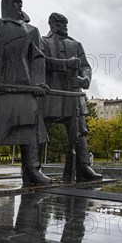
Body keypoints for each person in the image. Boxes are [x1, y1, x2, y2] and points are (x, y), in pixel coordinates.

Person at [0, 0, 80, 186]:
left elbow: (37, 58)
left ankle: (33, 170)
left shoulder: (31, 31)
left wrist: (39, 83)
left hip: (25, 90)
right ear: (8, 5)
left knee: (30, 132)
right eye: (17, 3)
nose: (20, 7)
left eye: (21, 4)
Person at [40, 13, 102, 182]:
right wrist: (66, 64)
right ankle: (34, 169)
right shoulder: (42, 42)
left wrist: (84, 79)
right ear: (52, 24)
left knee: (81, 132)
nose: (65, 26)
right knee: (40, 131)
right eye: (61, 23)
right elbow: (41, 63)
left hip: (74, 96)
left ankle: (83, 167)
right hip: (51, 95)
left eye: (66, 23)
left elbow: (86, 67)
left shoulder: (76, 44)